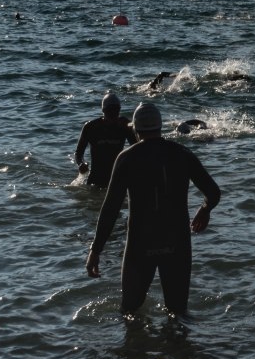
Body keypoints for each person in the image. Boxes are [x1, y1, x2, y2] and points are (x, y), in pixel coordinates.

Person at [86, 102, 222, 319]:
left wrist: (96, 250)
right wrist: (204, 210)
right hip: (176, 242)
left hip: (141, 244)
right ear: (159, 127)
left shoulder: (127, 158)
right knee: (178, 314)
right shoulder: (182, 154)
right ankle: (181, 350)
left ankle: (134, 350)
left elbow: (110, 208)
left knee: (129, 312)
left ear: (136, 130)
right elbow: (213, 192)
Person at [74, 91, 137, 189]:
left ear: (119, 110)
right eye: (110, 111)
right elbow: (78, 153)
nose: (113, 114)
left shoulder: (125, 126)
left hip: (117, 177)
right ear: (103, 110)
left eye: (116, 110)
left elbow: (137, 149)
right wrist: (81, 164)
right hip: (95, 180)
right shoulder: (91, 127)